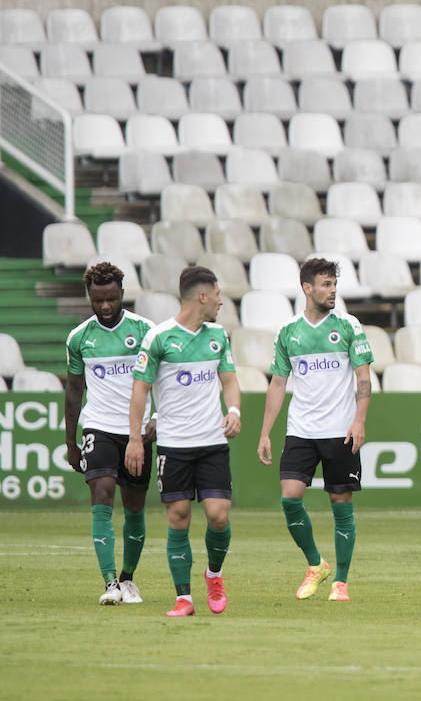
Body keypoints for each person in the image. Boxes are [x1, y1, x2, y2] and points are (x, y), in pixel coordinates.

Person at [126, 267, 242, 619]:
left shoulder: (218, 335)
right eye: (218, 294)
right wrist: (135, 438)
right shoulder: (158, 338)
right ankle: (184, 598)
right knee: (178, 517)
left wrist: (234, 409)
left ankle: (214, 575)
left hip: (212, 442)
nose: (222, 301)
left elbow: (230, 381)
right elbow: (140, 391)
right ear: (202, 296)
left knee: (218, 516)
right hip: (174, 445)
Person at [257, 258, 374, 603]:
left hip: (340, 429)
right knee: (290, 497)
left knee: (341, 502)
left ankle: (341, 581)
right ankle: (315, 565)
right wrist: (265, 432)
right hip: (301, 429)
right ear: (307, 288)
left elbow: (363, 378)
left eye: (334, 284)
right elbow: (278, 384)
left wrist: (359, 420)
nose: (332, 290)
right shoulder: (288, 332)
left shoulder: (349, 326)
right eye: (325, 284)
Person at [63, 262, 155, 606]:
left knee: (134, 506)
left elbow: (163, 379)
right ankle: (110, 582)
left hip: (137, 432)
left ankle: (129, 579)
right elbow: (74, 390)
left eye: (111, 299)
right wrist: (70, 441)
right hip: (99, 426)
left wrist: (157, 418)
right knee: (102, 495)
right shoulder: (79, 337)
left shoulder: (146, 331)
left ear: (122, 294)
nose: (104, 306)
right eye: (98, 300)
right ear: (89, 296)